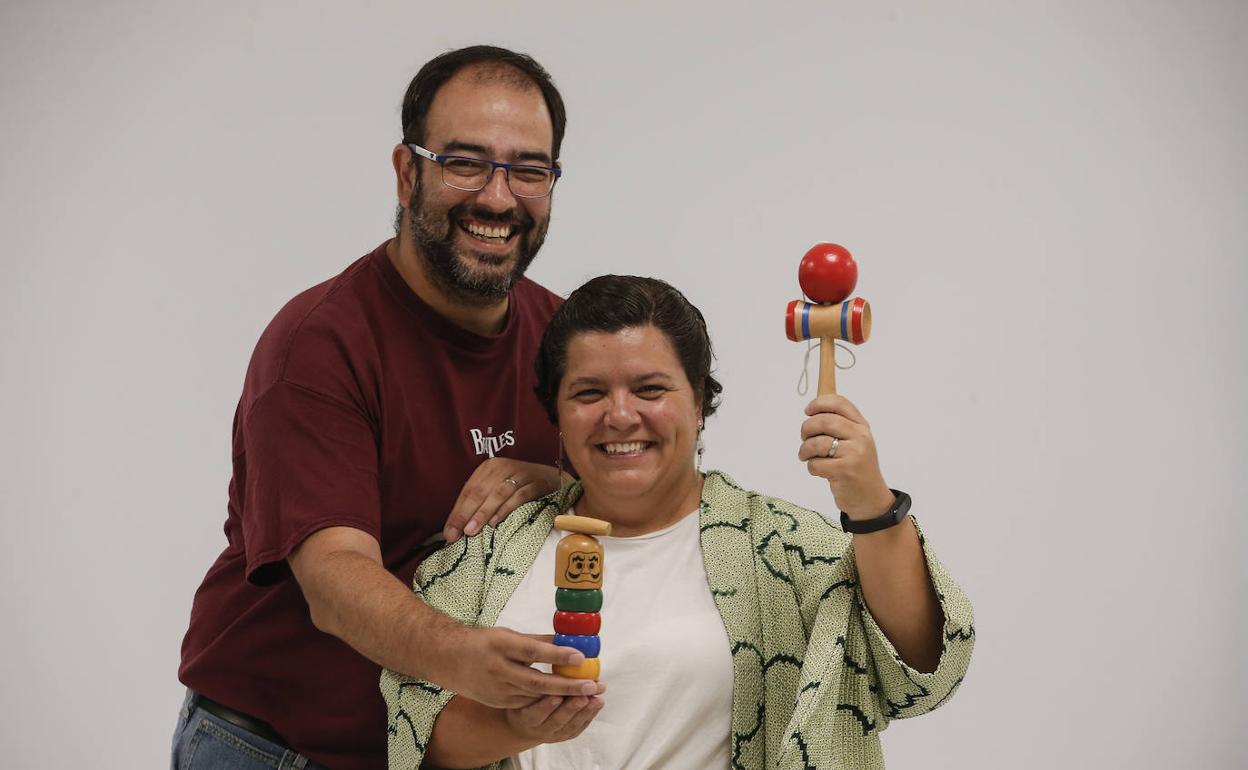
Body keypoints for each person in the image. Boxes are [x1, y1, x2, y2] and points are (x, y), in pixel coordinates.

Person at [174, 46, 606, 770]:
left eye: (528, 170)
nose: (498, 199)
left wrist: (557, 484)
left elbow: (649, 494)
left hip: (435, 748)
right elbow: (338, 584)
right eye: (465, 163)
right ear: (408, 173)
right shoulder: (319, 345)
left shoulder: (566, 341)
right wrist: (466, 658)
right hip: (275, 747)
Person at [382, 275, 975, 770]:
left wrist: (870, 501)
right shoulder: (484, 557)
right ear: (556, 413)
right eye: (588, 392)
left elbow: (922, 669)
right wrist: (512, 725)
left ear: (697, 402)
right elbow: (417, 735)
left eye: (649, 389)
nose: (620, 415)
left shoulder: (782, 549)